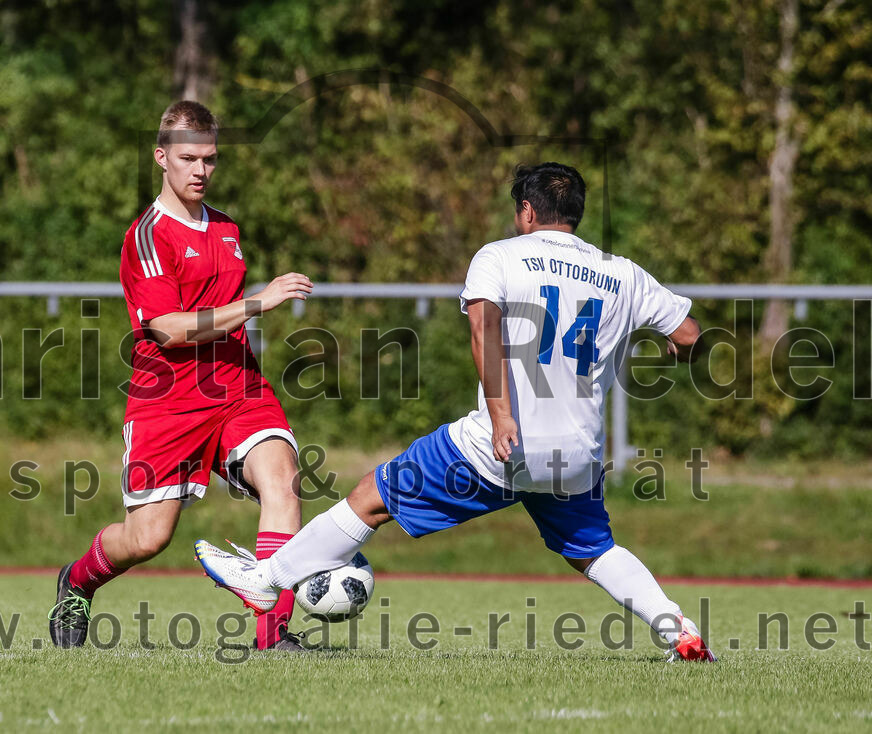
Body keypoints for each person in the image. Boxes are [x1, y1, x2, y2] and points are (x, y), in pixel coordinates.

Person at [195, 162, 716, 662]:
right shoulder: (620, 273)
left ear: (528, 212)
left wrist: (501, 413)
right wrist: (678, 350)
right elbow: (691, 336)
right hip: (575, 456)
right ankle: (680, 631)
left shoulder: (501, 256)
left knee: (371, 498)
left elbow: (482, 327)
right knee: (592, 549)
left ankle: (266, 582)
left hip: (501, 444)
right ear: (574, 213)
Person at [49, 101, 313, 651]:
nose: (200, 170)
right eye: (189, 158)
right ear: (161, 156)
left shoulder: (226, 227)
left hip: (238, 386)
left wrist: (247, 310)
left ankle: (273, 636)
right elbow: (167, 329)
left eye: (210, 159)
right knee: (148, 539)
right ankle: (77, 581)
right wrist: (258, 304)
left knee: (284, 482)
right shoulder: (147, 236)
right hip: (168, 398)